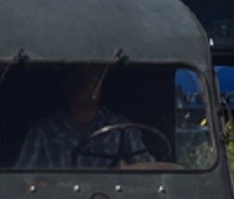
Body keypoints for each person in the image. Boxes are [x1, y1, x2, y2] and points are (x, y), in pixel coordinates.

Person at [15, 68, 151, 170]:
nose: (89, 87)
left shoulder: (121, 127)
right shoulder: (43, 131)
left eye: (94, 82)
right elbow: (24, 180)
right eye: (82, 81)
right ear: (67, 87)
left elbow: (146, 168)